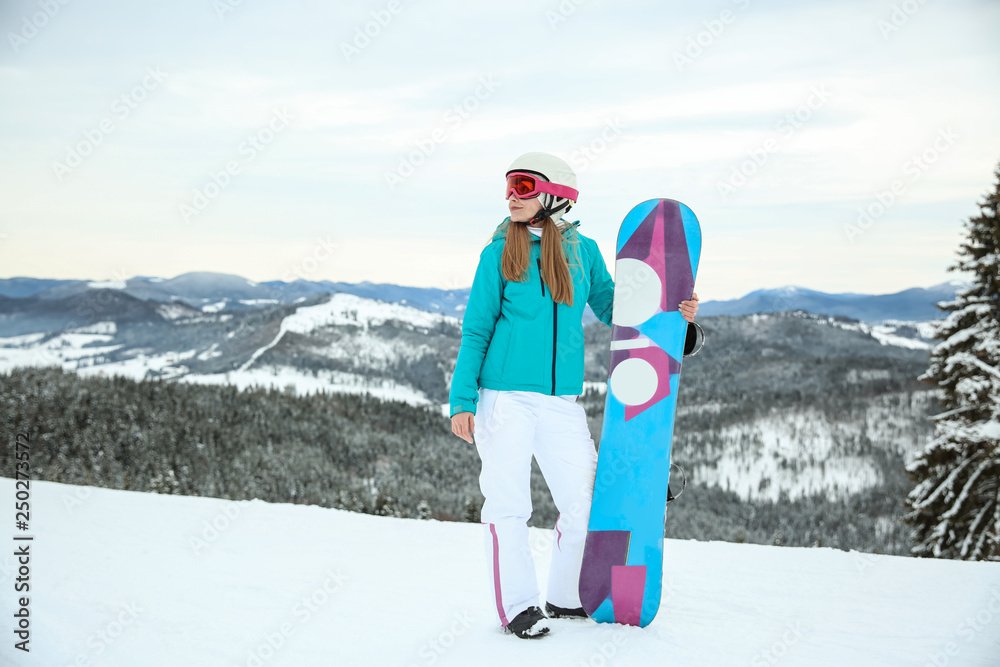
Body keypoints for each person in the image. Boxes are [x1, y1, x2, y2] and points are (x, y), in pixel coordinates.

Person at [448, 152, 699, 639]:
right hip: (505, 398)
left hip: (561, 402)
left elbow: (621, 311)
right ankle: (518, 608)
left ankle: (565, 596)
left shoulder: (582, 252)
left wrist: (678, 320)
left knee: (587, 504)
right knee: (509, 505)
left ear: (555, 193)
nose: (510, 196)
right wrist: (463, 400)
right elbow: (476, 329)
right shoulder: (499, 251)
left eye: (521, 186)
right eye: (508, 186)